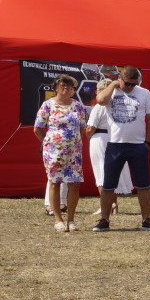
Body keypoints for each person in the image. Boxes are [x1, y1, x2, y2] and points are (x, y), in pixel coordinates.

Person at [93, 66, 150, 232]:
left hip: (137, 145)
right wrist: (113, 85)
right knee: (108, 185)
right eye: (127, 84)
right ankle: (104, 220)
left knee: (143, 184)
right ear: (120, 78)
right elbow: (100, 100)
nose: (130, 87)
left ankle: (146, 220)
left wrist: (148, 143)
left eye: (133, 84)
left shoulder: (144, 93)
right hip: (115, 144)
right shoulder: (112, 91)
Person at [34, 74, 87, 232]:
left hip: (74, 152)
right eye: (62, 85)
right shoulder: (48, 105)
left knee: (74, 184)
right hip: (53, 151)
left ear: (72, 89)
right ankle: (58, 219)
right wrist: (48, 142)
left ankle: (71, 220)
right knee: (55, 183)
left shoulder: (77, 105)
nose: (66, 87)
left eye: (69, 85)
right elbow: (37, 128)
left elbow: (82, 127)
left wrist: (74, 143)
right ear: (55, 88)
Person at [87, 79, 133, 215]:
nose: (96, 92)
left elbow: (90, 127)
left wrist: (89, 137)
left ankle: (105, 205)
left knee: (101, 171)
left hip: (100, 139)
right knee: (113, 171)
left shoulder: (99, 107)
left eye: (98, 89)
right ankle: (114, 203)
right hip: (115, 138)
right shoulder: (118, 105)